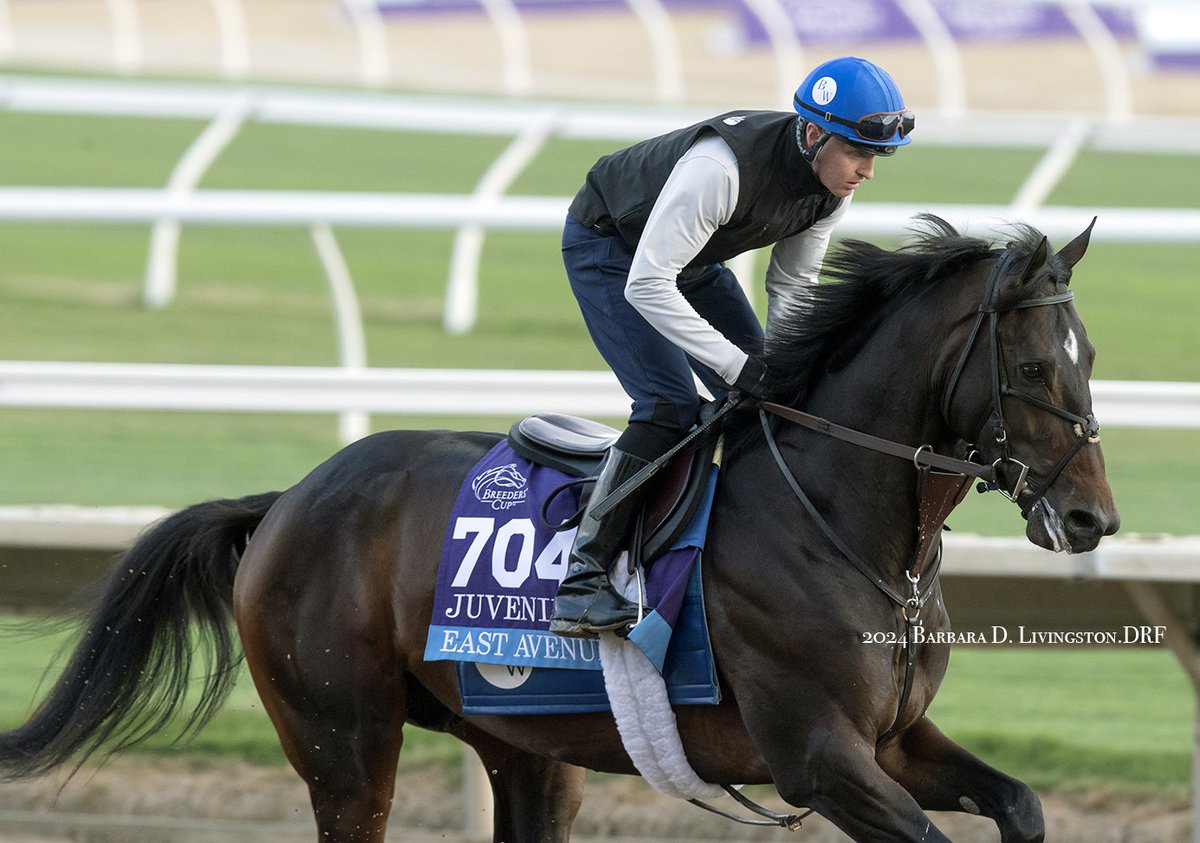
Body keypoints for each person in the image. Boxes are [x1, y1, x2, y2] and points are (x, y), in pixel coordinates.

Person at [549, 56, 915, 638]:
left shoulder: (830, 188)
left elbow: (793, 285)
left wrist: (781, 369)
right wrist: (737, 365)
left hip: (694, 262)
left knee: (776, 399)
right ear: (814, 134)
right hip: (612, 251)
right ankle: (583, 583)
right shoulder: (718, 169)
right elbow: (647, 284)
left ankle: (750, 555)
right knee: (667, 405)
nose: (867, 172)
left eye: (876, 157)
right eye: (857, 153)